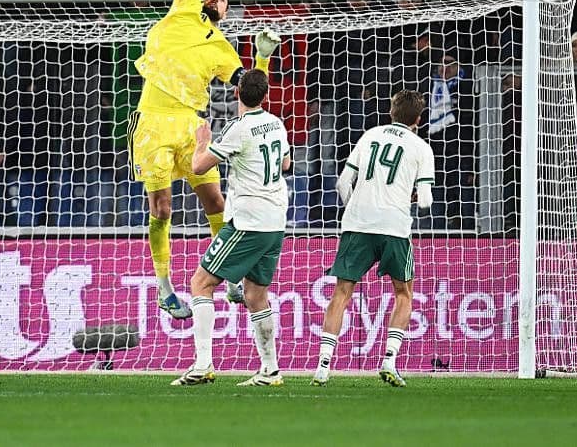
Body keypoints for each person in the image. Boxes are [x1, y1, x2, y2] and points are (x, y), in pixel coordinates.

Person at [130, 0, 280, 319]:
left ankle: (230, 276)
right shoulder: (181, 7)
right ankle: (164, 287)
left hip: (191, 127)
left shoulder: (222, 50)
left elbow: (252, 92)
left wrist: (263, 57)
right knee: (161, 208)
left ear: (227, 12)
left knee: (216, 202)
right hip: (153, 123)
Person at [171, 69, 289, 387]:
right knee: (255, 295)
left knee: (201, 283)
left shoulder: (238, 129)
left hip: (249, 222)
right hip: (276, 220)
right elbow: (286, 165)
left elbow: (198, 167)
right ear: (265, 96)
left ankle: (203, 364)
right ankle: (270, 370)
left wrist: (203, 142)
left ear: (236, 94)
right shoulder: (276, 124)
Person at [311, 90, 435, 387]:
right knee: (403, 294)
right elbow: (427, 202)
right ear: (418, 119)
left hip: (358, 223)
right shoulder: (421, 148)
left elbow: (342, 183)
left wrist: (355, 209)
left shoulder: (369, 136)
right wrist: (412, 195)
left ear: (391, 111)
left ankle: (323, 366)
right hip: (393, 226)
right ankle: (389, 361)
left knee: (341, 293)